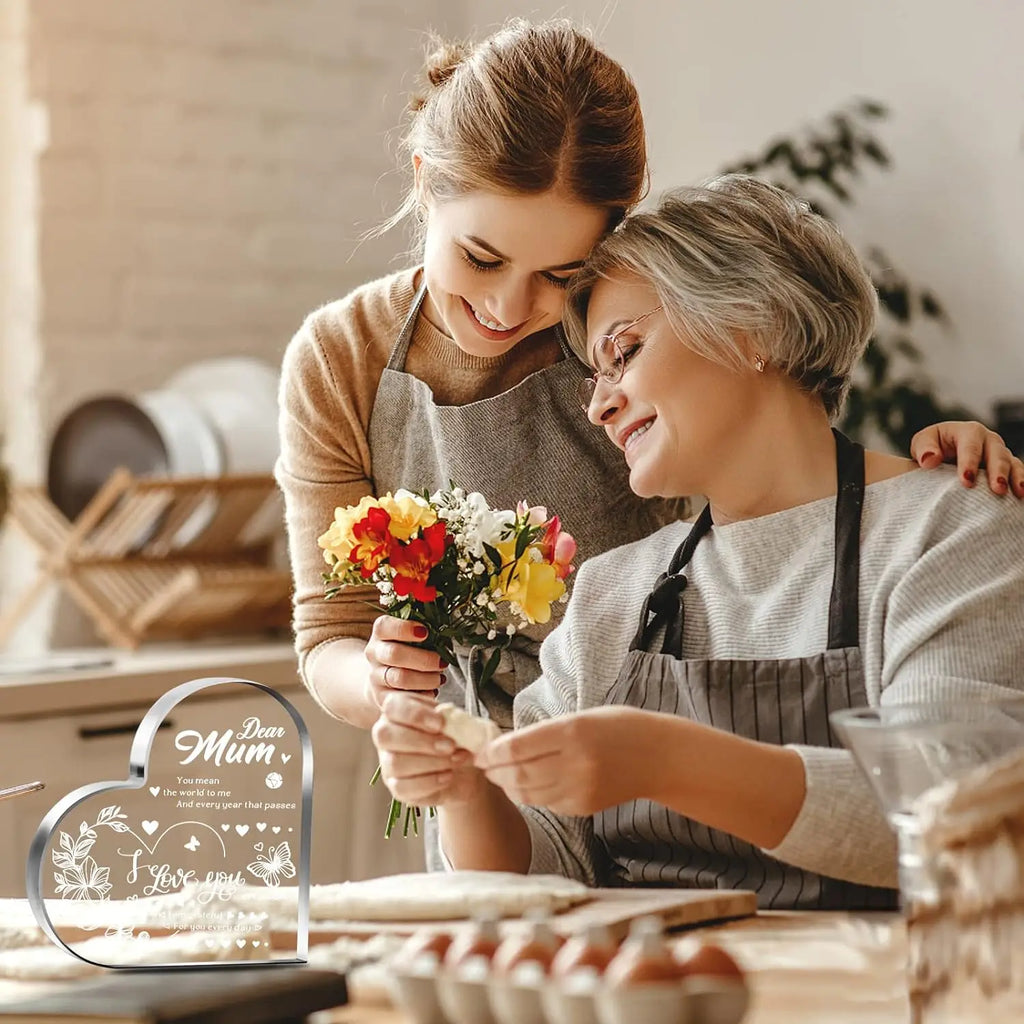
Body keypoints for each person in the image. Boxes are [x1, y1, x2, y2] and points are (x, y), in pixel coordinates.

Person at [277, 18, 1020, 748]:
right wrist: (385, 682)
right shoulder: (341, 359)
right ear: (423, 183)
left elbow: (776, 494)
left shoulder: (625, 325)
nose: (507, 308)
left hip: (669, 756)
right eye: (480, 258)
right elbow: (329, 633)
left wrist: (918, 479)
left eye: (559, 275)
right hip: (484, 779)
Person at [370, 176, 1024, 908]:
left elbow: (954, 816)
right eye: (594, 374)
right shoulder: (613, 592)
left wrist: (664, 758)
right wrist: (466, 792)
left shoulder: (951, 528)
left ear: (754, 327)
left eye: (626, 351)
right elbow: (546, 867)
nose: (598, 404)